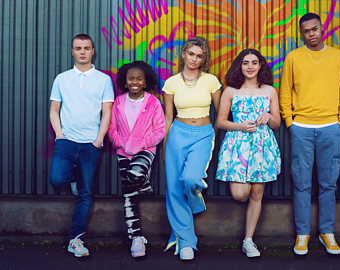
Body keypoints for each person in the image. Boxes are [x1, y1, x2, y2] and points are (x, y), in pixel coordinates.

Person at [279, 13, 340, 255]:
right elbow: (285, 94)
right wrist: (291, 122)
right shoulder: (293, 57)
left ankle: (327, 233)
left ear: (323, 29)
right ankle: (302, 235)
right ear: (302, 33)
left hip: (331, 128)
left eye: (315, 29)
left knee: (328, 184)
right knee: (301, 185)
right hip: (301, 130)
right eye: (306, 31)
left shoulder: (338, 56)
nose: (311, 33)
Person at [49, 34, 114, 257]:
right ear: (72, 51)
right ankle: (73, 178)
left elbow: (107, 112)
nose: (83, 52)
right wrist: (60, 135)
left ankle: (75, 240)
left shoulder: (104, 80)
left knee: (86, 193)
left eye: (87, 48)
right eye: (78, 48)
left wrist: (98, 140)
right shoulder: (62, 78)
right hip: (66, 142)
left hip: (90, 144)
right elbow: (54, 110)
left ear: (93, 51)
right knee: (57, 178)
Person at [215, 49, 281, 258]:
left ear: (260, 65)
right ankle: (247, 231)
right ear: (240, 66)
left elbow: (277, 123)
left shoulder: (270, 91)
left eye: (254, 62)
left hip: (262, 146)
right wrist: (241, 126)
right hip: (237, 146)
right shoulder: (231, 91)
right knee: (240, 193)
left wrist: (268, 115)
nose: (250, 66)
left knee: (256, 193)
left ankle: (248, 240)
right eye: (246, 63)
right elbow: (221, 121)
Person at [161, 36, 222, 260]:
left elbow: (221, 114)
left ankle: (195, 201)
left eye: (199, 55)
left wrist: (213, 134)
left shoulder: (211, 81)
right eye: (191, 54)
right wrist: (165, 148)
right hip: (177, 133)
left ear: (203, 59)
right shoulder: (171, 83)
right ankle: (186, 242)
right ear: (184, 54)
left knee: (191, 179)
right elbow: (168, 118)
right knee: (174, 188)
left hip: (203, 135)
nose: (194, 58)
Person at [108, 61, 165, 257]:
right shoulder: (118, 102)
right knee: (129, 195)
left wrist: (140, 144)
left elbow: (159, 131)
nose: (135, 82)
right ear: (125, 81)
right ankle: (136, 238)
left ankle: (143, 182)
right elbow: (111, 128)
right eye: (131, 78)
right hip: (123, 151)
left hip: (145, 150)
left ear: (145, 81)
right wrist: (122, 143)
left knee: (135, 173)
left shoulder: (153, 102)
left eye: (139, 79)